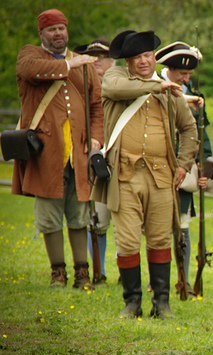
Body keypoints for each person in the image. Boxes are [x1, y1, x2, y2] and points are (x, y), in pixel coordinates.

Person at [92, 30, 198, 319]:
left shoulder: (167, 90)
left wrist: (184, 164)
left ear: (154, 57)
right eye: (136, 57)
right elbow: (117, 91)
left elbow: (189, 129)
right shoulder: (115, 78)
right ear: (127, 61)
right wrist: (157, 87)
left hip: (162, 175)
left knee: (160, 239)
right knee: (127, 241)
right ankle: (132, 302)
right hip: (124, 174)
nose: (143, 61)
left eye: (148, 55)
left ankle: (161, 303)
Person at [13, 9, 104, 289]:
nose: (57, 34)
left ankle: (82, 273)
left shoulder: (82, 63)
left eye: (61, 29)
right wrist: (70, 66)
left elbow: (96, 107)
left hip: (77, 154)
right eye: (51, 30)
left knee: (79, 216)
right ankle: (58, 272)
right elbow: (29, 70)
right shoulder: (31, 55)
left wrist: (96, 139)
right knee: (50, 217)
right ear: (42, 34)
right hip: (45, 154)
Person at [155, 42, 213, 295]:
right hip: (156, 165)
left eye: (189, 74)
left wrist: (202, 168)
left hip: (184, 169)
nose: (186, 78)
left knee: (184, 226)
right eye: (181, 73)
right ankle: (156, 281)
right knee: (155, 228)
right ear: (169, 68)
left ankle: (184, 280)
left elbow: (203, 139)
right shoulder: (153, 87)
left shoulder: (195, 95)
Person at [74, 38, 114, 284]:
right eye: (93, 56)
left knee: (125, 221)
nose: (98, 60)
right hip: (94, 162)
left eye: (103, 55)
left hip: (120, 160)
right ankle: (99, 270)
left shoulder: (123, 85)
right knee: (96, 220)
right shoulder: (81, 89)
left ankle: (126, 270)